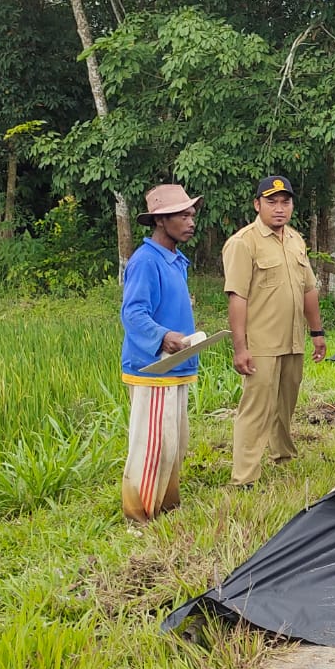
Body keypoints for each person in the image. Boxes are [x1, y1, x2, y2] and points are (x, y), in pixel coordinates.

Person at [223, 176, 326, 488]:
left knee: (286, 402)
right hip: (262, 342)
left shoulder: (295, 240)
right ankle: (244, 476)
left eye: (285, 202)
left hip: (293, 339)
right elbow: (237, 296)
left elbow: (308, 289)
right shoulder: (244, 242)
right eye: (271, 202)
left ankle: (282, 456)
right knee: (257, 406)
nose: (279, 209)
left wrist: (317, 332)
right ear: (257, 205)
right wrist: (240, 347)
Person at [119, 184, 202, 522]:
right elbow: (134, 313)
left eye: (192, 215)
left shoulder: (175, 260)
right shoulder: (145, 261)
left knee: (174, 442)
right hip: (153, 368)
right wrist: (163, 336)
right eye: (183, 215)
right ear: (160, 220)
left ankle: (166, 505)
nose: (190, 221)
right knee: (152, 445)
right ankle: (138, 515)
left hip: (177, 364)